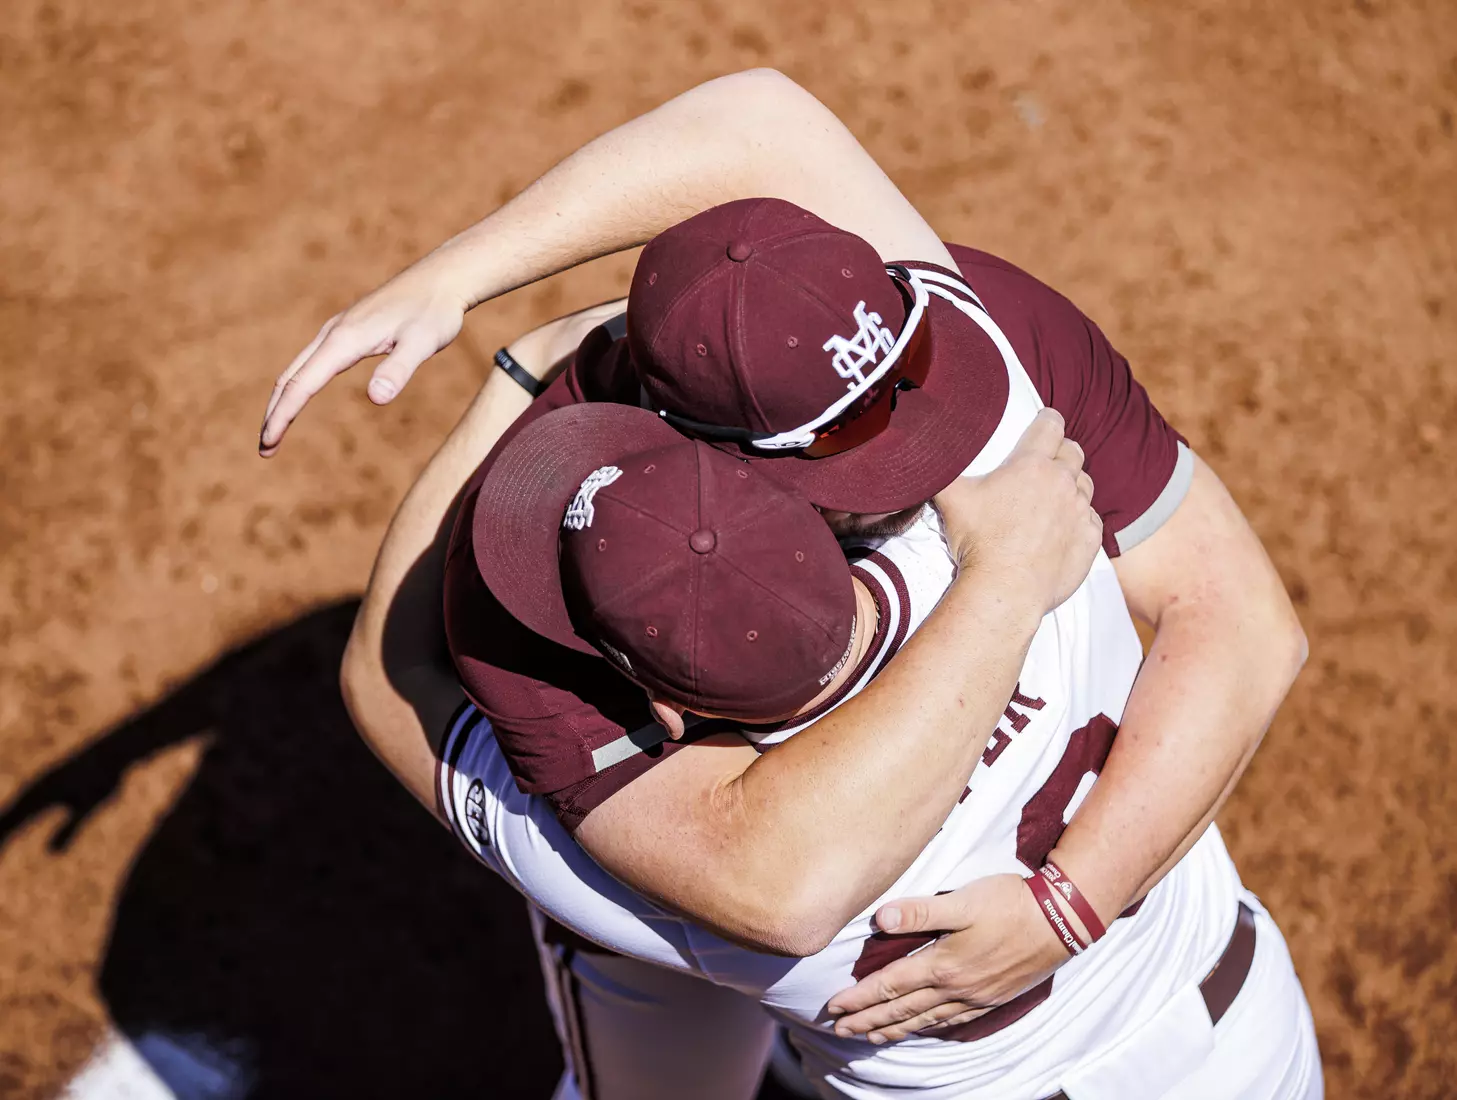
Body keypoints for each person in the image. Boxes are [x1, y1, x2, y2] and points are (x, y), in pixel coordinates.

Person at [271, 70, 1319, 1097]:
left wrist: (534, 357)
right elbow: (1246, 631)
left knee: (622, 962)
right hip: (1242, 1039)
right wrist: (1071, 902)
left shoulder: (743, 891)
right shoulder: (1013, 426)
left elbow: (388, 672)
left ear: (672, 709)